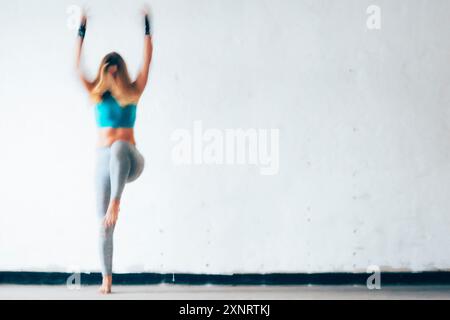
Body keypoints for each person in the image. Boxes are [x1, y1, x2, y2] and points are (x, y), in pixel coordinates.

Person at [75, 8, 153, 294]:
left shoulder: (134, 90)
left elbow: (147, 61)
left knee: (119, 146)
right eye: (107, 70)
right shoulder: (96, 94)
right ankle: (106, 279)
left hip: (130, 159)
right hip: (103, 161)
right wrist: (80, 32)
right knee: (103, 224)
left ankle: (116, 201)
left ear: (120, 70)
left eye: (115, 69)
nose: (111, 75)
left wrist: (148, 27)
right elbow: (77, 66)